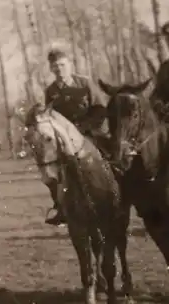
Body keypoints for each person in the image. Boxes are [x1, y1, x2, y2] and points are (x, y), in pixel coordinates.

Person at [42, 47, 110, 226]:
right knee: (52, 172)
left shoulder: (85, 83)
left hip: (91, 133)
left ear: (70, 65)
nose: (59, 70)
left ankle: (122, 197)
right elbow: (50, 117)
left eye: (62, 65)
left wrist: (83, 128)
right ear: (51, 69)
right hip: (64, 140)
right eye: (55, 67)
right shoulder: (51, 91)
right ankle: (60, 207)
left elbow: (100, 109)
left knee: (112, 159)